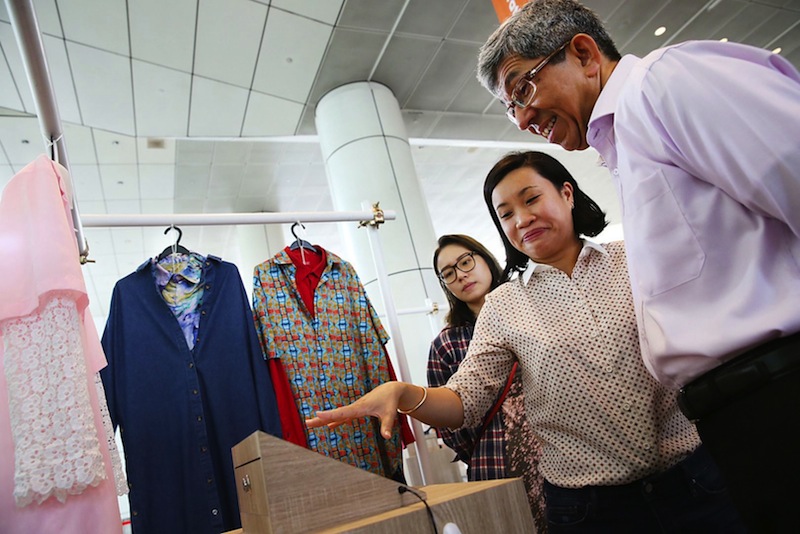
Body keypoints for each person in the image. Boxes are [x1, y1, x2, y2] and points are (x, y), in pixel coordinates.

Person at [475, 1, 800, 530]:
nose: (524, 119)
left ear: (582, 53)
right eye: (511, 109)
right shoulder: (625, 145)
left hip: (775, 392)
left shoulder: (665, 84)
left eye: (524, 90)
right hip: (739, 417)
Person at [308, 151, 744, 533]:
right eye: (506, 214)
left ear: (567, 194)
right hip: (590, 509)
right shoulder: (504, 305)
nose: (521, 219)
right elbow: (464, 403)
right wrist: (405, 394)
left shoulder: (633, 259)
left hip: (693, 481)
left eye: (531, 199)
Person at [428, 234, 545, 532]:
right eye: (449, 273)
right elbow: (450, 427)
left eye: (466, 261)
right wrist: (492, 441)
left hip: (562, 449)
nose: (461, 275)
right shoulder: (447, 343)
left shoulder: (534, 309)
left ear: (484, 258)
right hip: (495, 460)